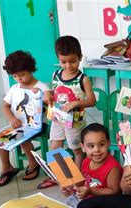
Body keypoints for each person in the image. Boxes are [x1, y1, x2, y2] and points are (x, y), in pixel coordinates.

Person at [39, 35, 96, 189]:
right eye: (63, 62)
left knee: (76, 150)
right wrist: (48, 92)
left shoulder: (83, 79)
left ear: (80, 57)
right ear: (58, 59)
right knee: (55, 149)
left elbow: (92, 101)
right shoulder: (55, 75)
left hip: (75, 123)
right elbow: (55, 91)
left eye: (73, 61)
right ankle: (64, 177)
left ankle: (76, 180)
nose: (68, 66)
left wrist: (76, 102)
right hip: (57, 119)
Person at [0, 50, 49, 186]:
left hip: (37, 126)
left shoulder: (42, 87)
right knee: (1, 140)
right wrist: (12, 119)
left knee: (22, 140)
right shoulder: (14, 88)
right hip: (19, 125)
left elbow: (50, 104)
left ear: (31, 69)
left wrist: (43, 96)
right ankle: (7, 167)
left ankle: (33, 163)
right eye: (15, 76)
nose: (19, 79)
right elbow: (5, 106)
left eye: (22, 75)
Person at [61, 123, 122, 204]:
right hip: (88, 199)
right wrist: (71, 188)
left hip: (107, 204)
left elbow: (114, 191)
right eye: (91, 146)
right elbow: (83, 180)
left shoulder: (112, 168)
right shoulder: (86, 161)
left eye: (101, 144)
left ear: (108, 143)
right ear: (83, 147)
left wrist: (91, 190)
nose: (97, 150)